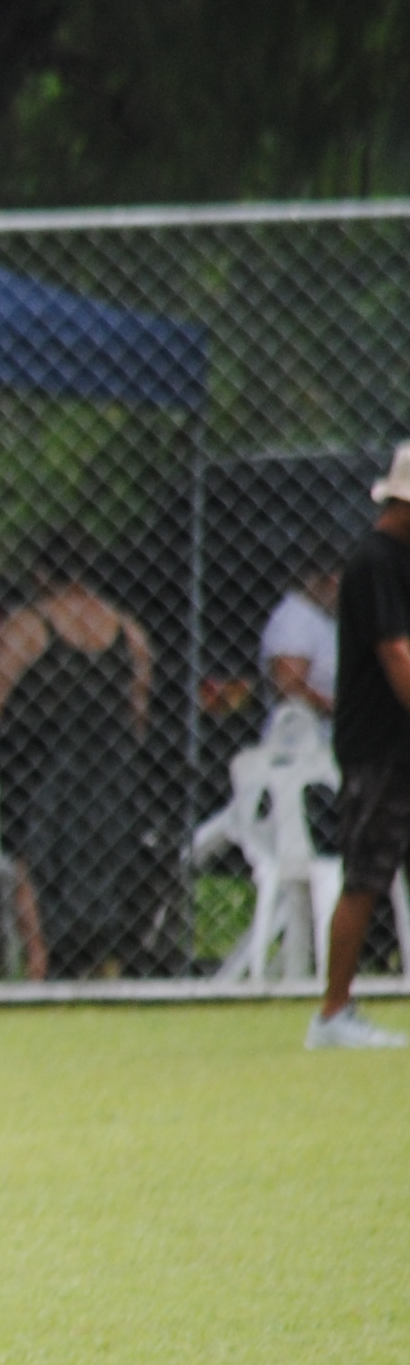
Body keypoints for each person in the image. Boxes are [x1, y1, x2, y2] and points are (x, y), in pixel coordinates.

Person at [0, 529, 156, 982]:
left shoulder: (30, 625)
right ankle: (102, 958)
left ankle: (39, 961)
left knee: (30, 856)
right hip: (109, 763)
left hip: (40, 762)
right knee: (106, 851)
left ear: (42, 573)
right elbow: (138, 703)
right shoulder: (127, 630)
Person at [307, 446, 410, 1047]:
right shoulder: (375, 561)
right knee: (366, 875)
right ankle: (333, 1013)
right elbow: (396, 654)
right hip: (381, 749)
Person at [262, 548, 342, 725]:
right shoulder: (294, 620)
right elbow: (290, 689)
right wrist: (347, 711)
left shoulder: (325, 618)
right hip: (302, 744)